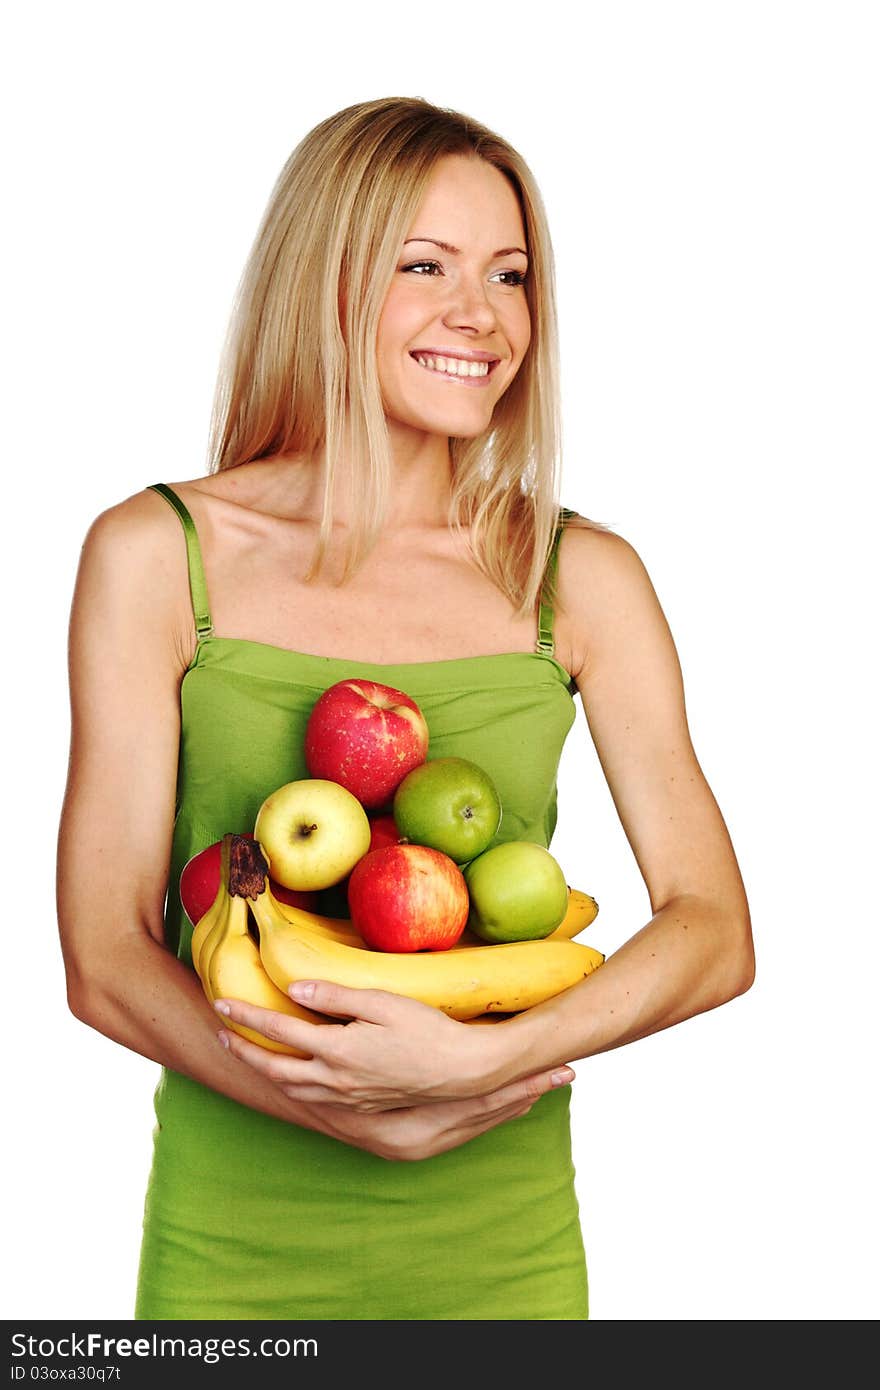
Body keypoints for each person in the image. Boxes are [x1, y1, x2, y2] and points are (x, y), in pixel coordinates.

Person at [55, 95, 755, 1322]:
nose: (478, 316)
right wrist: (347, 1104)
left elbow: (712, 929)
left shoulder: (578, 576)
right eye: (422, 266)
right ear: (321, 284)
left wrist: (485, 1058)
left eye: (509, 274)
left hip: (506, 1249)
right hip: (235, 1252)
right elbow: (107, 959)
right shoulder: (158, 554)